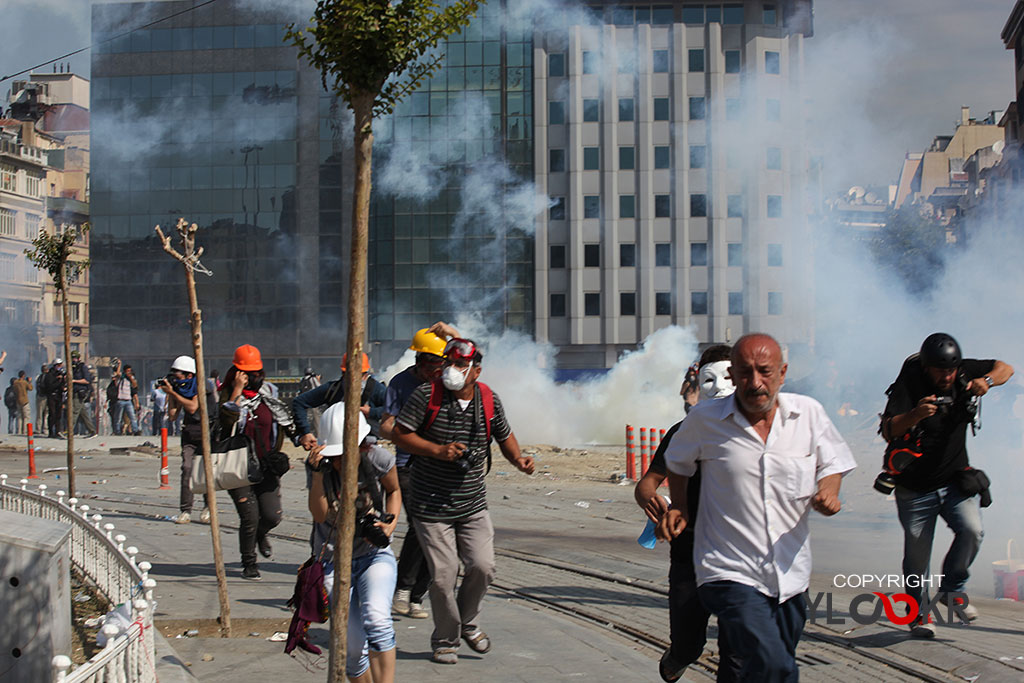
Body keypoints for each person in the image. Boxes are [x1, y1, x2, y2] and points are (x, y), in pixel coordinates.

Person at [658, 334, 856, 682]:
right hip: (728, 570)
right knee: (775, 664)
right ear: (733, 374)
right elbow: (676, 460)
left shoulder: (808, 414)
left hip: (790, 575)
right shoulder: (705, 420)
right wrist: (681, 506)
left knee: (754, 666)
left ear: (782, 372)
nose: (755, 383)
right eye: (746, 373)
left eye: (764, 372)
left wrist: (829, 490)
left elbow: (834, 462)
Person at [392, 337, 534, 665]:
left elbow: (504, 434)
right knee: (443, 575)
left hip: (472, 503)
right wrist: (437, 451)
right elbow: (399, 433)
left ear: (475, 371)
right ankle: (446, 639)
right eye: (449, 363)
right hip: (430, 504)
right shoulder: (426, 396)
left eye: (459, 365)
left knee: (483, 567)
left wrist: (518, 460)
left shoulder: (487, 399)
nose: (451, 371)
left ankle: (468, 622)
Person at [880, 333, 1013, 637]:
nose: (947, 377)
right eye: (941, 371)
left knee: (973, 531)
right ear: (927, 368)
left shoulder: (964, 371)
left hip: (955, 480)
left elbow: (1006, 368)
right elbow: (888, 430)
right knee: (917, 558)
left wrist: (987, 382)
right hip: (915, 488)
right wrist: (915, 414)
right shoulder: (909, 383)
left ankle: (952, 590)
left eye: (950, 371)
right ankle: (918, 615)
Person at [635, 345, 742, 683]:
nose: (720, 387)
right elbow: (647, 483)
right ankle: (677, 658)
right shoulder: (682, 432)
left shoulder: (756, 431)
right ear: (698, 382)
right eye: (710, 379)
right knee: (688, 644)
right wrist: (650, 499)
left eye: (728, 377)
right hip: (689, 554)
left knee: (737, 653)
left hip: (740, 556)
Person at [307, 406, 401, 683]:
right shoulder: (318, 468)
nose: (340, 461)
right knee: (351, 646)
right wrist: (317, 475)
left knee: (378, 619)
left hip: (374, 555)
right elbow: (320, 514)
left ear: (361, 446)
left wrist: (390, 524)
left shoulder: (379, 459)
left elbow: (394, 491)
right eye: (334, 455)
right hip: (333, 560)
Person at [380, 322, 459, 620]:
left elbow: (473, 361)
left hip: (443, 467)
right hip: (409, 467)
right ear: (417, 361)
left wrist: (452, 333)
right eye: (428, 364)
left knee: (441, 531)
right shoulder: (400, 384)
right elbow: (387, 424)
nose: (433, 371)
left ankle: (416, 595)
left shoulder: (450, 382)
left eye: (438, 364)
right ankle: (403, 587)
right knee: (422, 526)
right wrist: (403, 433)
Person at [218, 344, 293, 580]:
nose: (257, 378)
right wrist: (236, 393)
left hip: (266, 465)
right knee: (249, 515)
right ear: (239, 373)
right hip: (237, 466)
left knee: (271, 516)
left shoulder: (268, 393)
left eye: (259, 373)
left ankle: (261, 534)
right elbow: (223, 424)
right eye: (251, 374)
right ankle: (249, 562)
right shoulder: (226, 395)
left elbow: (283, 420)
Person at [163, 355, 217, 525]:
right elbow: (172, 416)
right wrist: (172, 394)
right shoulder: (180, 389)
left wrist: (173, 392)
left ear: (189, 375)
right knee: (187, 469)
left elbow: (193, 406)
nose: (175, 379)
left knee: (206, 472)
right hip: (189, 433)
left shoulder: (203, 386)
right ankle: (185, 510)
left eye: (178, 376)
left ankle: (208, 507)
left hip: (206, 433)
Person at [293, 352, 387, 448]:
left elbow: (394, 410)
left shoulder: (377, 389)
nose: (352, 379)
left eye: (357, 375)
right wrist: (306, 432)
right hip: (335, 443)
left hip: (366, 444)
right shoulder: (333, 389)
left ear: (365, 375)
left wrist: (372, 412)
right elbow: (299, 402)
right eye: (348, 374)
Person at [69, 352, 98, 438]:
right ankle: (92, 431)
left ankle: (69, 431)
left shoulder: (83, 367)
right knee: (83, 414)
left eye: (75, 358)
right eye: (72, 358)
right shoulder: (73, 368)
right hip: (74, 392)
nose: (73, 360)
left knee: (74, 412)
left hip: (80, 392)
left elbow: (87, 380)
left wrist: (74, 381)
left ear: (78, 358)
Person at [111, 362, 141, 435]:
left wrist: (131, 378)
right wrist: (119, 364)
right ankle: (117, 431)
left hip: (128, 400)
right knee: (118, 418)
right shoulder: (121, 378)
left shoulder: (130, 379)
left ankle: (135, 430)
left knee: (132, 417)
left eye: (130, 371)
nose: (129, 372)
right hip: (120, 400)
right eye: (128, 371)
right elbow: (117, 373)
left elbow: (135, 386)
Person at [44, 359, 66, 438]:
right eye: (59, 365)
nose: (60, 367)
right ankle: (51, 432)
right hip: (51, 396)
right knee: (52, 414)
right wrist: (58, 381)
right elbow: (50, 386)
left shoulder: (61, 374)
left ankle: (57, 431)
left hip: (59, 396)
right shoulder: (49, 375)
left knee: (58, 414)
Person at [298, 367, 322, 437]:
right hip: (313, 400)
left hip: (304, 401)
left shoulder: (302, 379)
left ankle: (306, 433)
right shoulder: (312, 378)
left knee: (307, 418)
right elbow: (319, 387)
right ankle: (318, 433)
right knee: (316, 417)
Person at [35, 364, 48, 436]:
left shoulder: (38, 377)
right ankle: (45, 429)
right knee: (46, 414)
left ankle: (38, 429)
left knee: (39, 414)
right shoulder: (48, 377)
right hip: (46, 397)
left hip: (40, 397)